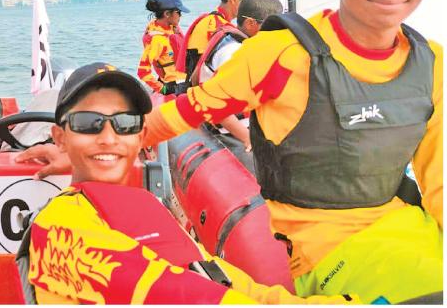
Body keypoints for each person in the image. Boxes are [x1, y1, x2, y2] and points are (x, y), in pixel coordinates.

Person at [20, 0, 443, 304]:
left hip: (412, 234)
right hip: (337, 257)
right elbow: (194, 105)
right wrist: (90, 147)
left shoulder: (432, 64)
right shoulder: (277, 53)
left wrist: (94, 142)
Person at [19, 62, 358, 304]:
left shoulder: (146, 208)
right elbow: (168, 292)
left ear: (141, 136)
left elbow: (220, 276)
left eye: (125, 123)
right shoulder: (57, 227)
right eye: (89, 123)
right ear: (60, 138)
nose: (109, 137)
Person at [189, 0, 284, 174]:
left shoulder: (236, 41)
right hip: (230, 135)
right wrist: (247, 138)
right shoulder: (232, 53)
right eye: (272, 26)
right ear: (250, 24)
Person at [178, 0, 258, 87]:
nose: (252, 7)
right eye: (249, 3)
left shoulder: (209, 21)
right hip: (205, 93)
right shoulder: (217, 27)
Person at [136, 0, 189, 95]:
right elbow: (142, 72)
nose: (181, 16)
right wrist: (163, 89)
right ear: (167, 14)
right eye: (178, 12)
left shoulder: (173, 28)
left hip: (186, 78)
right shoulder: (157, 40)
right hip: (174, 86)